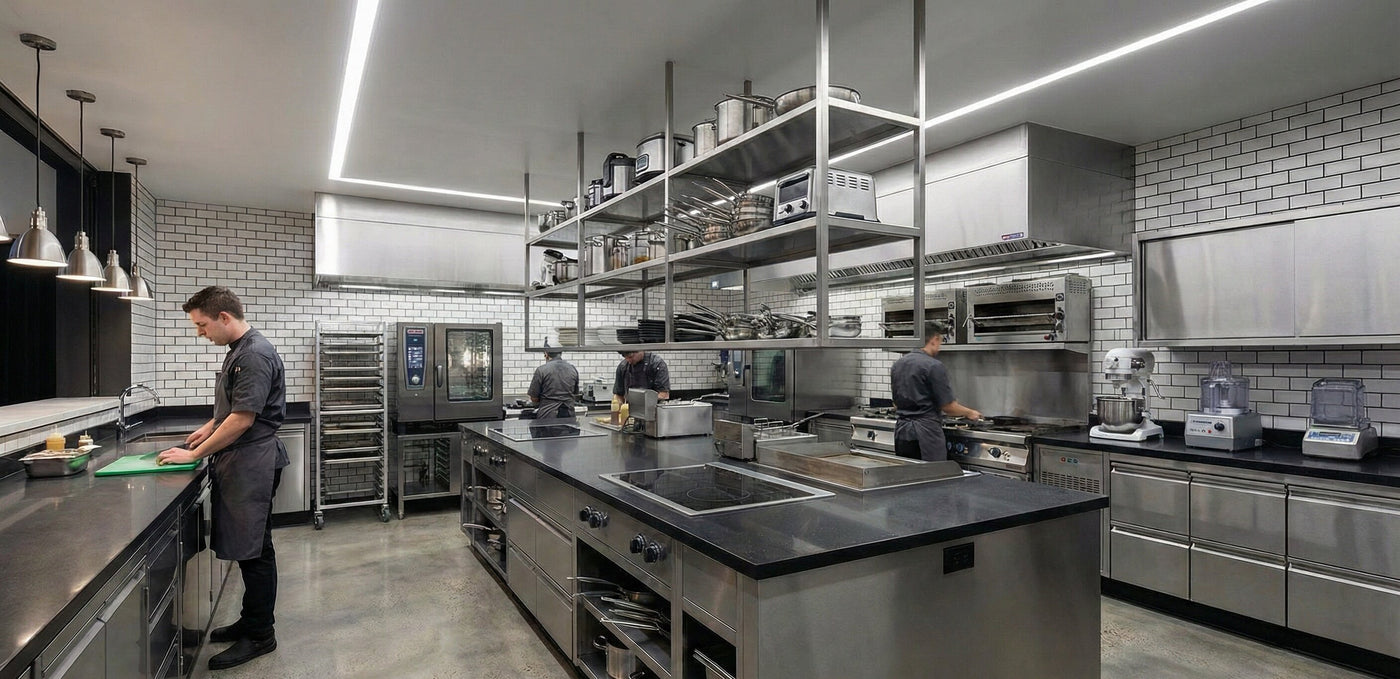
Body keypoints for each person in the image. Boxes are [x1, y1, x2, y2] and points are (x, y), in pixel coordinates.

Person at [157, 286, 287, 670]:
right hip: (243, 461)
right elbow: (233, 409)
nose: (201, 333)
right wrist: (208, 427)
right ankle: (251, 620)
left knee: (256, 552)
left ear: (224, 317)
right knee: (249, 551)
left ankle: (261, 634)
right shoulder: (239, 351)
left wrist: (194, 453)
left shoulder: (254, 355)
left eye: (202, 325)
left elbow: (243, 419)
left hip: (253, 463)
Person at [889, 320, 982, 461]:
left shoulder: (898, 364)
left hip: (902, 434)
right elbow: (949, 407)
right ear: (934, 339)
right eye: (940, 341)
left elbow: (896, 404)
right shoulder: (933, 366)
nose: (940, 346)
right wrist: (971, 413)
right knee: (931, 474)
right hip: (926, 435)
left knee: (907, 472)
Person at [528, 349, 579, 419]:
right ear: (560, 353)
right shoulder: (573, 369)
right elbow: (575, 393)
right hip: (569, 415)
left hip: (548, 416)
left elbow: (534, 398)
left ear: (546, 354)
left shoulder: (541, 370)